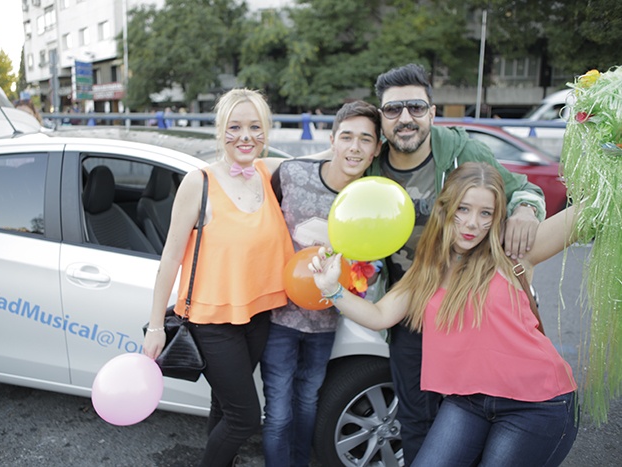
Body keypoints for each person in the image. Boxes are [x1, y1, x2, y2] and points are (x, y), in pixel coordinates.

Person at [310, 161, 580, 467]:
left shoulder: (510, 253)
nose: (472, 224)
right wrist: (332, 289)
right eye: (463, 209)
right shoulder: (428, 269)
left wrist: (610, 154)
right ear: (445, 209)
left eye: (485, 213)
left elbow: (587, 215)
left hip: (536, 404)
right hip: (467, 401)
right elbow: (379, 315)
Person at [365, 63, 546, 464]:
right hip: (410, 307)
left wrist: (526, 210)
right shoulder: (371, 164)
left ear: (432, 112)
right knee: (415, 417)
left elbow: (522, 189)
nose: (405, 118)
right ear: (382, 117)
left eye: (415, 107)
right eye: (393, 109)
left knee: (472, 412)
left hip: (468, 302)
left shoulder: (463, 152)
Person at [142, 88, 294, 467]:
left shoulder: (267, 172)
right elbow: (170, 257)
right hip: (212, 323)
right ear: (220, 130)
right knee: (244, 418)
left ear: (266, 131)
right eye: (235, 127)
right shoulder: (199, 182)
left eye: (255, 127)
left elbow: (323, 164)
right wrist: (156, 326)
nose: (246, 136)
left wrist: (359, 144)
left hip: (258, 315)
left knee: (224, 406)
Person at [261, 100, 382, 467]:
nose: (355, 147)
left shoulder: (372, 200)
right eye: (347, 137)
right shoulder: (293, 174)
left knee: (308, 402)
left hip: (326, 321)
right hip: (279, 318)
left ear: (377, 149)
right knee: (278, 411)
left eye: (365, 139)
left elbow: (372, 261)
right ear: (332, 140)